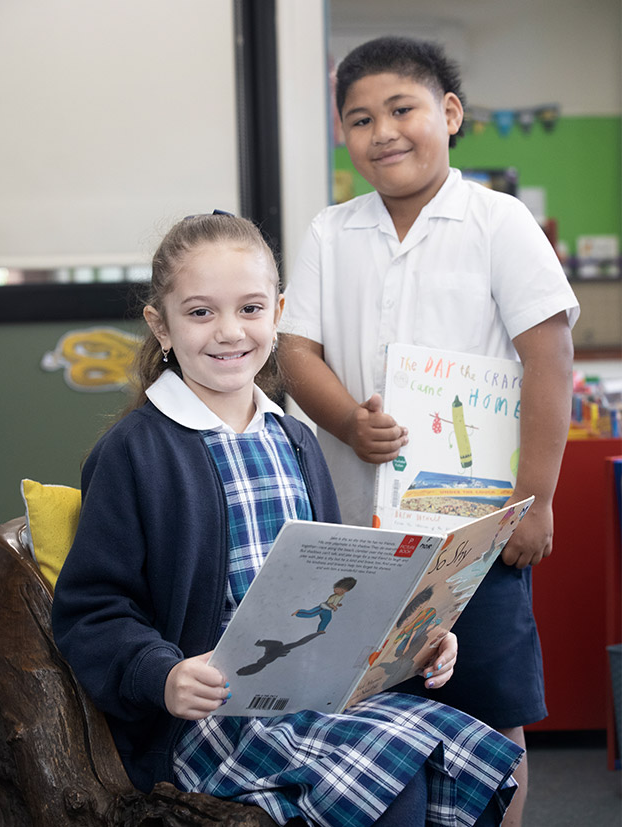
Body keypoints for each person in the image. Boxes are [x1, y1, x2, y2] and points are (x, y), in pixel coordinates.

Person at [52, 213, 524, 827]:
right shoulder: (133, 451)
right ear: (160, 325)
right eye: (200, 312)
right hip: (208, 720)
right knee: (394, 786)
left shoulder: (296, 441)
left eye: (250, 309)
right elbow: (92, 609)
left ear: (277, 314)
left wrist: (414, 638)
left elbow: (341, 594)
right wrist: (162, 675)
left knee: (449, 768)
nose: (229, 331)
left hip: (310, 699)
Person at [278, 36, 579, 827]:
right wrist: (349, 421)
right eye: (360, 119)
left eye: (401, 109)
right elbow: (295, 350)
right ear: (343, 134)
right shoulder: (329, 232)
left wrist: (537, 498)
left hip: (474, 538)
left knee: (490, 719)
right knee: (370, 715)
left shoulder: (498, 222)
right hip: (359, 538)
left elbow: (549, 357)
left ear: (448, 113)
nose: (382, 132)